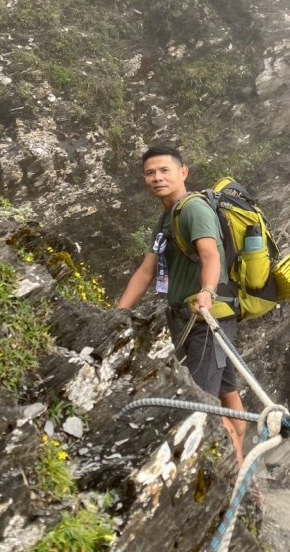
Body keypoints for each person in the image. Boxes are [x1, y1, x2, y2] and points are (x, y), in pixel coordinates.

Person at [116, 145, 248, 467]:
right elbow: (146, 271)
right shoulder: (167, 216)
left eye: (164, 170)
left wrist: (206, 291)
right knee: (228, 394)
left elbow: (210, 256)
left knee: (202, 403)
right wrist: (117, 314)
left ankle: (234, 472)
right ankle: (245, 468)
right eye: (150, 173)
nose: (157, 177)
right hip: (192, 322)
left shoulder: (193, 210)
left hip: (206, 322)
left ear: (183, 173)